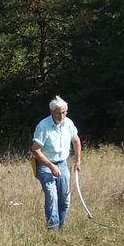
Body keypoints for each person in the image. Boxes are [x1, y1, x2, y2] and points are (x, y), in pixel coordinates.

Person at [29, 96, 82, 229]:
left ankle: (62, 227)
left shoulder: (69, 123)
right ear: (51, 111)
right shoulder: (43, 126)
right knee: (52, 195)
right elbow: (35, 150)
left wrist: (78, 160)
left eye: (64, 112)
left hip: (62, 164)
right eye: (58, 112)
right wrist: (51, 166)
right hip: (45, 165)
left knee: (65, 198)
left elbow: (76, 140)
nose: (62, 115)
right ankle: (53, 228)